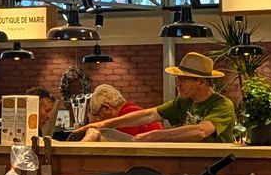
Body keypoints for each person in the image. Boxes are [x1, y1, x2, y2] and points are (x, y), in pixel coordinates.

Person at [86, 53, 237, 142]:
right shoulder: (184, 101)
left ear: (201, 81)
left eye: (182, 80)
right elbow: (149, 114)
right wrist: (105, 124)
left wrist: (154, 136)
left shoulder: (222, 105)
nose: (177, 84)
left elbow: (201, 131)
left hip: (216, 168)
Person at [78, 84, 150, 140]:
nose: (100, 120)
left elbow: (124, 149)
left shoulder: (127, 115)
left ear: (107, 108)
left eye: (100, 115)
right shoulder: (130, 109)